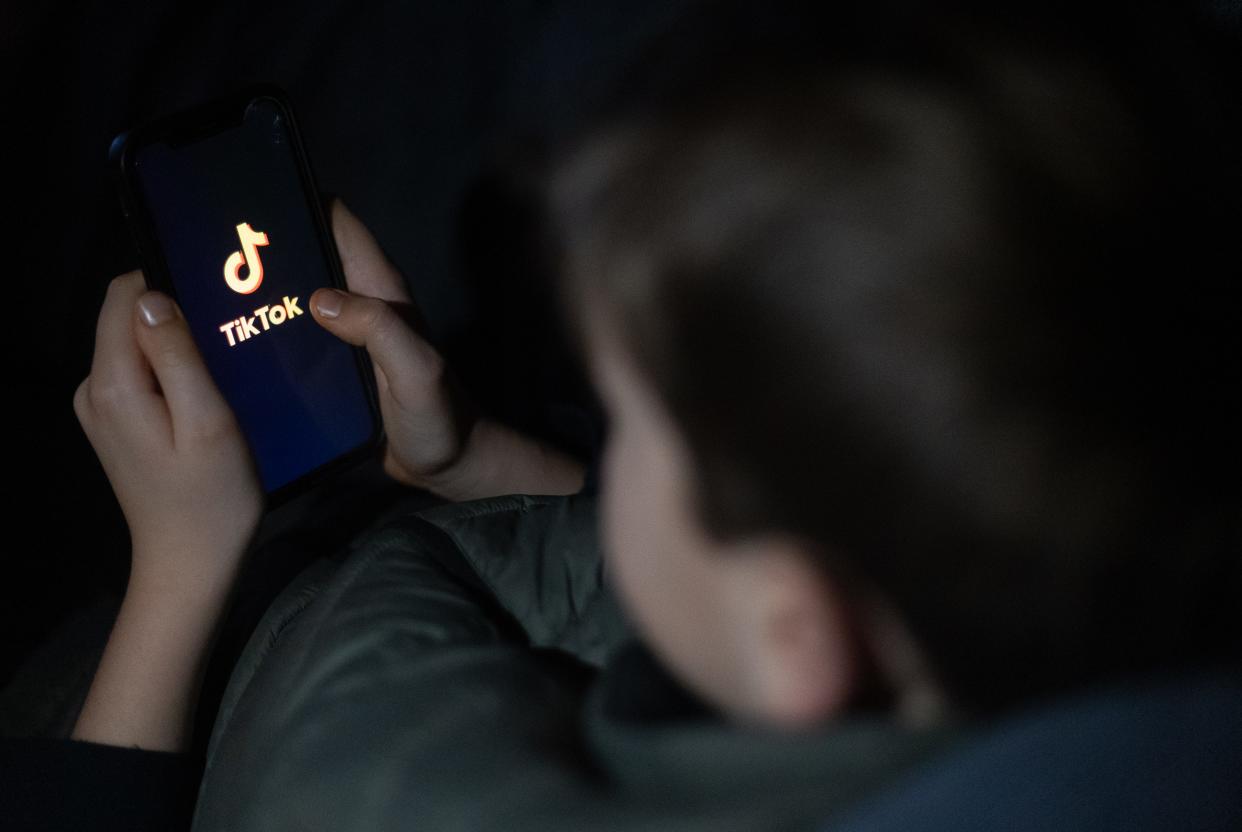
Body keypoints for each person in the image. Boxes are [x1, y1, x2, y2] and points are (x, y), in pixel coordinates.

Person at [8, 1, 1242, 829]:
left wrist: (176, 572)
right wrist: (464, 456)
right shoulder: (943, 604)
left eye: (634, 418)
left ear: (797, 636)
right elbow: (605, 566)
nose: (616, 446)